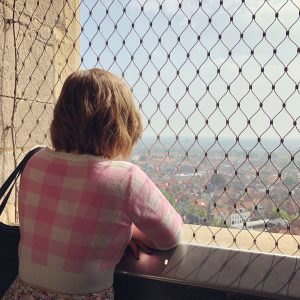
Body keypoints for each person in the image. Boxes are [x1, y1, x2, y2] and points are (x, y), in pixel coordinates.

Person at [2, 68, 183, 299]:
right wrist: (128, 233)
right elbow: (171, 235)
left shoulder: (34, 161)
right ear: (121, 124)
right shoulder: (126, 179)